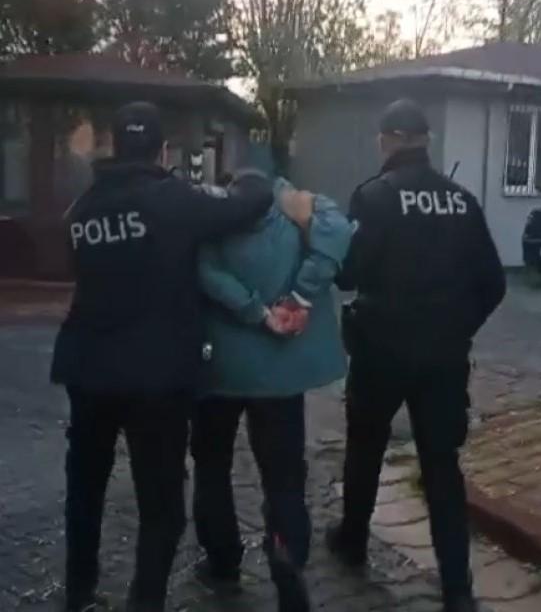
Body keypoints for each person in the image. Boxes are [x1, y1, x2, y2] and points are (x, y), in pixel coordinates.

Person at [51, 103, 273, 612]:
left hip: (88, 368)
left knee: (85, 488)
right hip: (156, 376)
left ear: (113, 145)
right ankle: (145, 601)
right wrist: (247, 177)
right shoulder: (174, 199)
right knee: (162, 506)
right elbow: (250, 202)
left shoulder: (82, 209)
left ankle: (79, 594)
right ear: (163, 150)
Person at [325, 100, 506, 612]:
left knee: (365, 446)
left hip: (380, 351)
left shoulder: (374, 197)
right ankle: (457, 588)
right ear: (426, 142)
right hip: (443, 359)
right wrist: (456, 329)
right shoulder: (462, 201)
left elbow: (348, 275)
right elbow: (493, 284)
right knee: (442, 465)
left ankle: (353, 539)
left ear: (389, 139)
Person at [191, 170, 353, 612]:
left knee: (211, 465)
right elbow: (339, 233)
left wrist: (256, 312)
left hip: (218, 369)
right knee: (283, 475)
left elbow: (206, 274)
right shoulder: (296, 212)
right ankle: (286, 553)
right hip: (279, 378)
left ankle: (222, 558)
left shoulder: (214, 221)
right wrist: (301, 296)